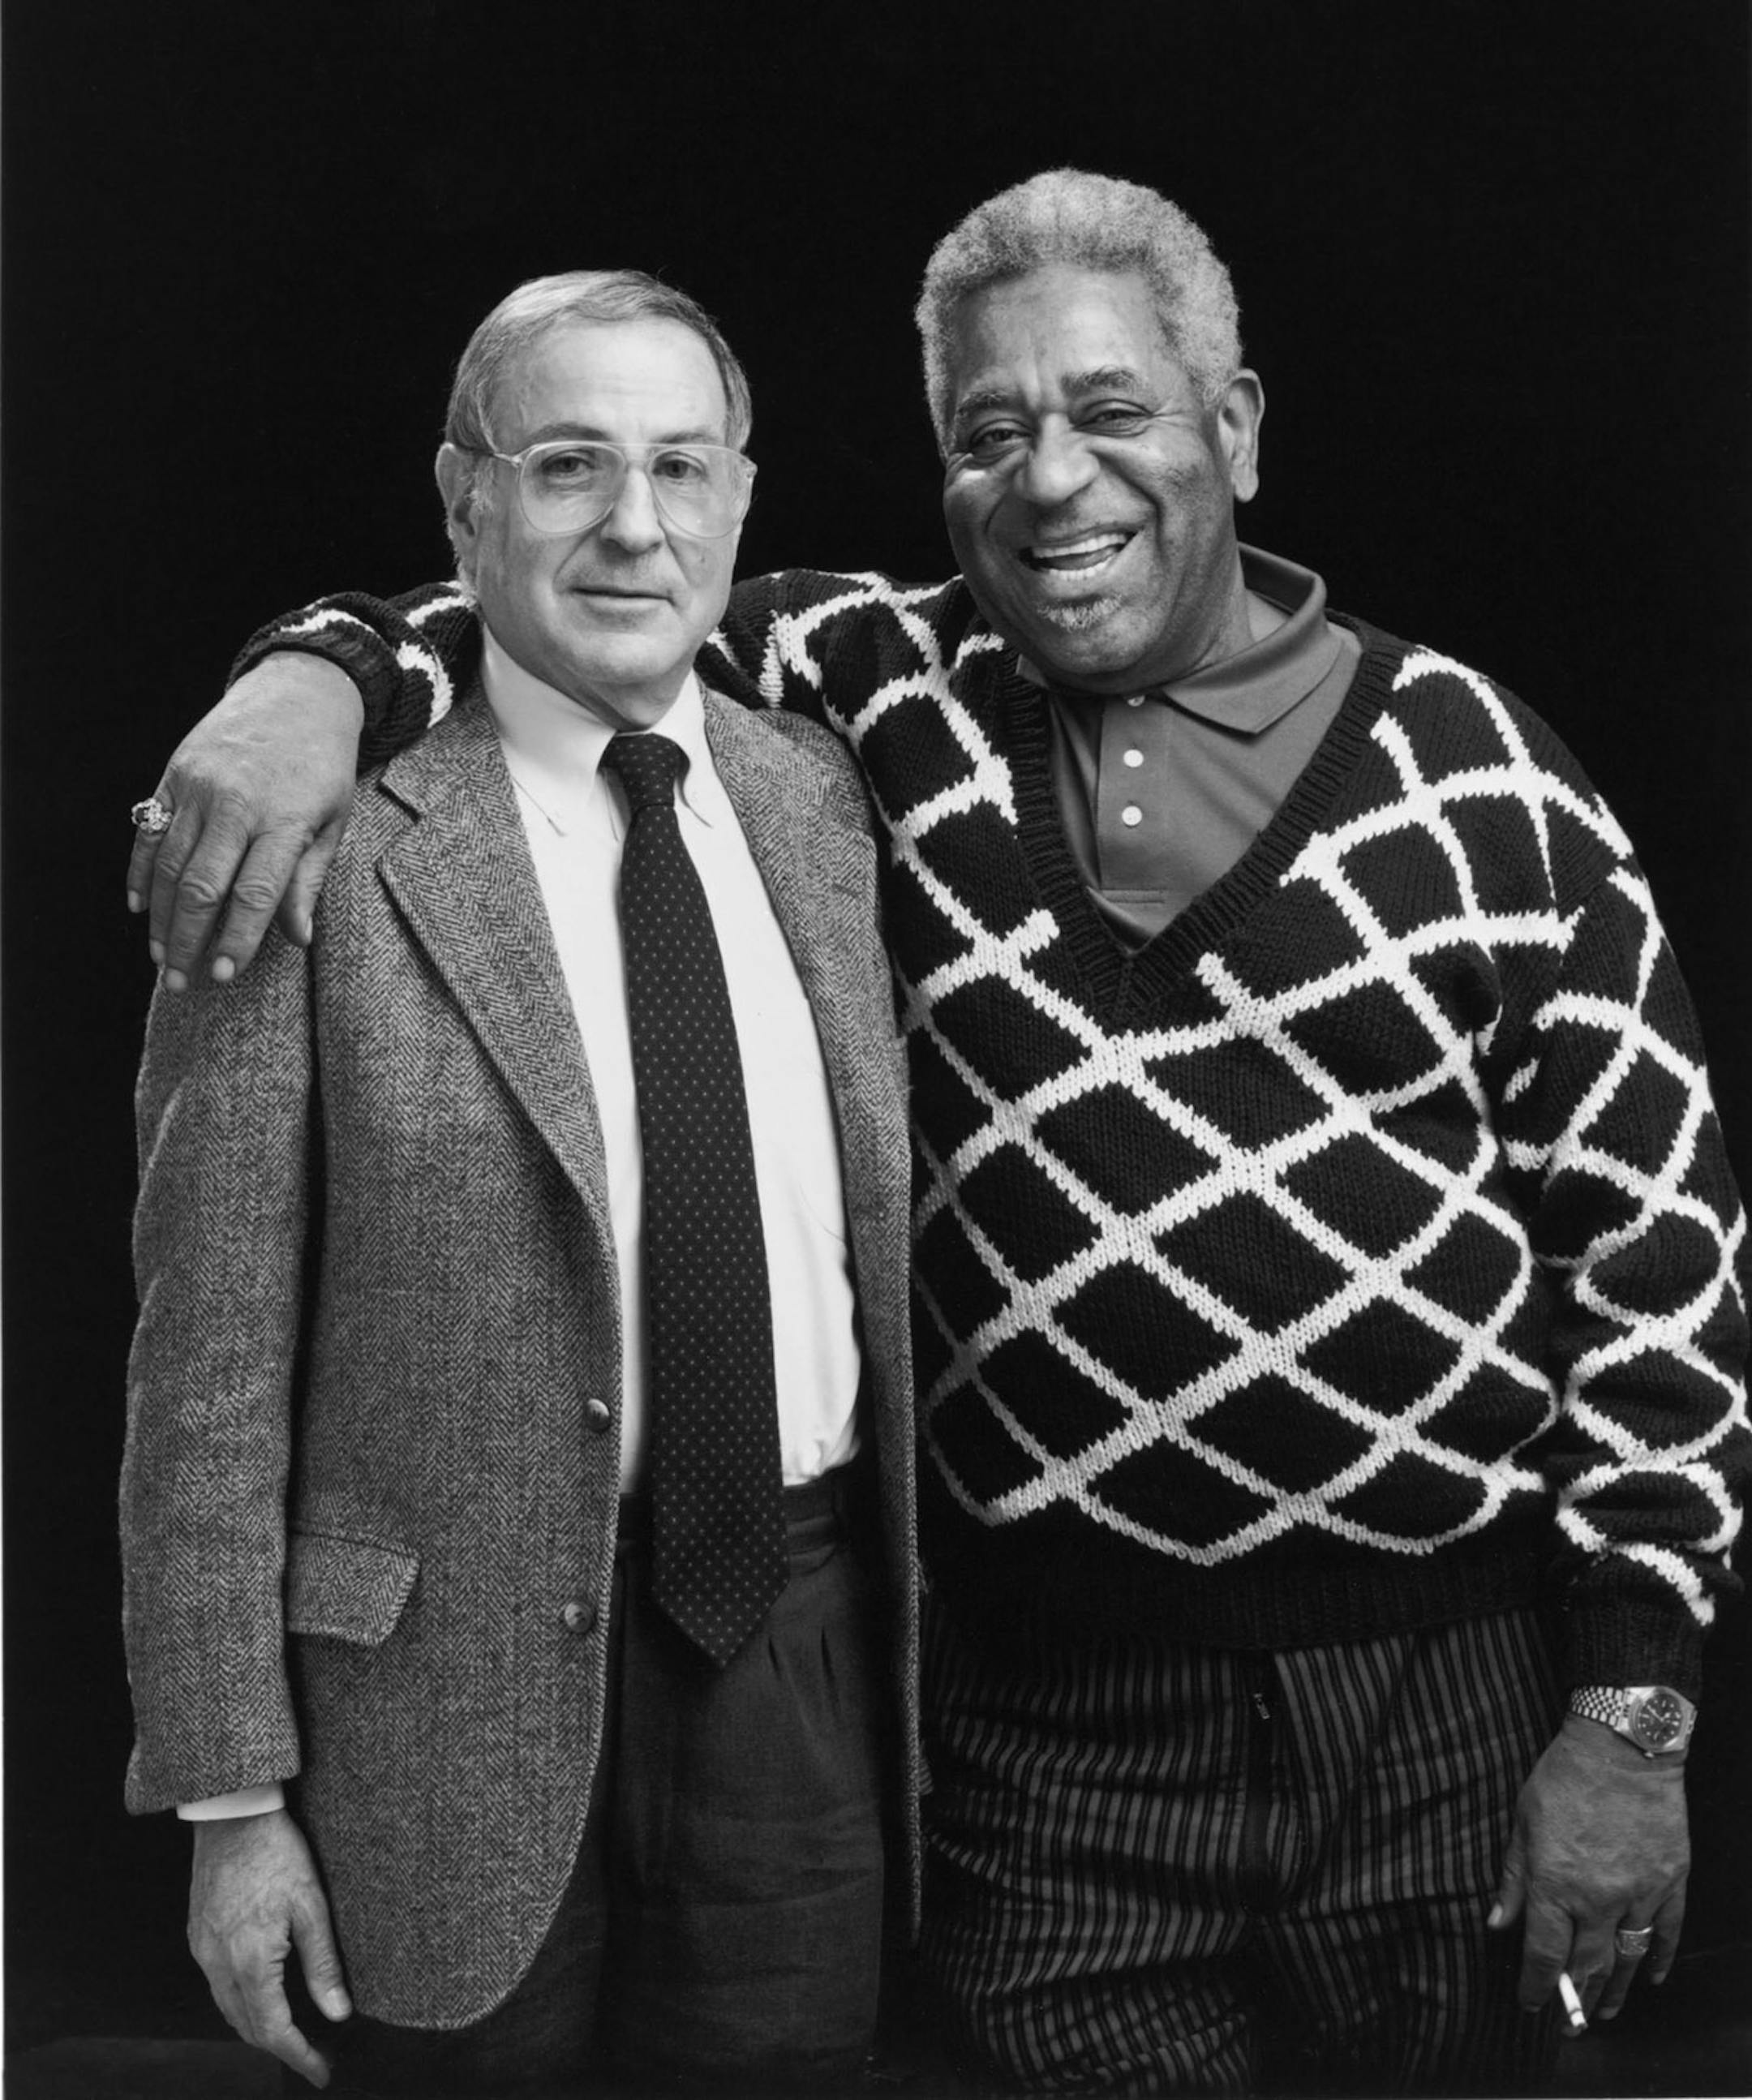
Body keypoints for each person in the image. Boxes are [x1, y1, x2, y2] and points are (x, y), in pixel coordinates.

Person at [127, 173, 1749, 2096]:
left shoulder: (1483, 775)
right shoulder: (869, 696)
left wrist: (1632, 1716)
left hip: (1442, 1706)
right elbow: (564, 607)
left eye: (1115, 410)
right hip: (1039, 1732)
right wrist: (312, 672)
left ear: (1232, 428)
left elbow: (1661, 1273)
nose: (1055, 481)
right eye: (991, 431)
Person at [120, 269, 920, 2098]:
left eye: (681, 466)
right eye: (568, 465)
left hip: (797, 1649)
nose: (635, 523)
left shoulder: (827, 797)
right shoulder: (315, 836)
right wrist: (230, 1795)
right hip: (427, 1695)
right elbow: (206, 1359)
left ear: (739, 497)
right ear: (464, 498)